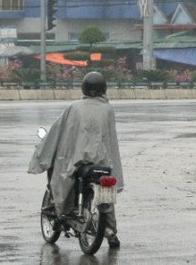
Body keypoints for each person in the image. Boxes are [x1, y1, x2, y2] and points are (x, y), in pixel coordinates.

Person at [28, 71, 124, 249]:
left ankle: (63, 210)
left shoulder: (74, 107)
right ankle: (111, 234)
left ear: (84, 88)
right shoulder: (108, 108)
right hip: (102, 161)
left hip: (78, 158)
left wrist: (45, 149)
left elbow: (58, 130)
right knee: (106, 196)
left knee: (62, 176)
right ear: (104, 88)